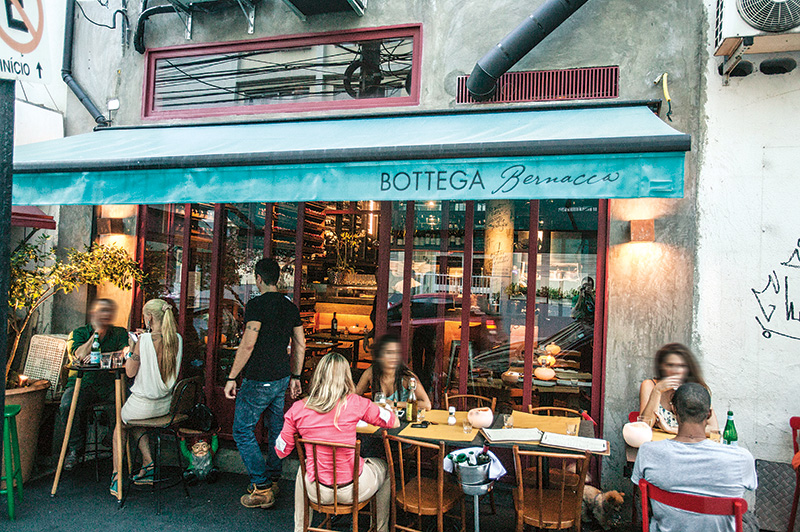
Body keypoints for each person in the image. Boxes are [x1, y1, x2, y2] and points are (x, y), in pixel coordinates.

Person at [276, 353, 399, 532]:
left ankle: (300, 529)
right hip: (353, 490)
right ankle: (381, 529)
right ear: (346, 378)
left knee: (303, 469)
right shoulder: (358, 403)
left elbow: (281, 451)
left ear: (318, 377)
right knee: (386, 468)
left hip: (317, 491)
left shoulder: (297, 409)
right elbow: (392, 421)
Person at [224, 258, 306, 509]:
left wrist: (231, 377)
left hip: (258, 378)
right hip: (281, 377)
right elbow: (301, 343)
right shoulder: (289, 306)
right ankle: (272, 478)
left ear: (258, 278)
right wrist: (296, 376)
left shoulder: (256, 305)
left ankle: (261, 486)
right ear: (277, 279)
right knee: (275, 430)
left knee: (241, 430)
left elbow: (248, 343)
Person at [631, 383, 757, 532]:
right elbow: (749, 489)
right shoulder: (742, 459)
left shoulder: (647, 452)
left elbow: (644, 503)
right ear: (709, 414)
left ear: (674, 410)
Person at [109, 298, 183, 496]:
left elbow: (130, 372)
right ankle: (148, 466)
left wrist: (135, 345)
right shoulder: (177, 339)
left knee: (121, 424)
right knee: (136, 421)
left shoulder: (143, 341)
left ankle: (117, 476)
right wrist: (144, 341)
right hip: (166, 406)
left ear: (149, 317)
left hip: (143, 405)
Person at [60, 298, 129, 471]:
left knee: (125, 402)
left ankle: (111, 438)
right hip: (81, 384)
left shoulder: (119, 333)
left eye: (108, 311)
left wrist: (106, 356)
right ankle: (75, 448)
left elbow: (126, 352)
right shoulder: (79, 332)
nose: (105, 314)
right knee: (67, 405)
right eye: (101, 311)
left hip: (108, 384)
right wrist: (95, 335)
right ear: (93, 314)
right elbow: (79, 355)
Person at [639, 343, 719, 434]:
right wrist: (657, 391)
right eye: (670, 365)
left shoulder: (695, 389)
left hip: (687, 443)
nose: (675, 370)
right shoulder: (650, 385)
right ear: (661, 367)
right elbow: (644, 426)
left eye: (681, 366)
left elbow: (714, 429)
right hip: (659, 444)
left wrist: (670, 429)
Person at [355, 334, 432, 411]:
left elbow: (427, 405)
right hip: (378, 420)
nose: (393, 357)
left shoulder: (406, 377)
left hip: (403, 419)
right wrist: (370, 404)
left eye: (396, 353)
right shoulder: (371, 373)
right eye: (389, 353)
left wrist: (396, 404)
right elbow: (354, 397)